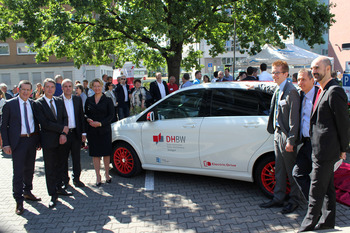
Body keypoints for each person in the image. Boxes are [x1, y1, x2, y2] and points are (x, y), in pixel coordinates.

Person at [299, 57, 349, 232]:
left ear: (328, 68)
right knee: (327, 188)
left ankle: (308, 224)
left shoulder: (335, 91)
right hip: (318, 148)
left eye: (317, 67)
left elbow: (343, 123)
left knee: (316, 188)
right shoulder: (322, 89)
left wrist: (344, 149)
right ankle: (328, 222)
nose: (314, 71)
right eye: (312, 68)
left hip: (327, 151)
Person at [259, 60, 301, 214]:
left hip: (286, 136)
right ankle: (278, 198)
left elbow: (293, 119)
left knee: (291, 171)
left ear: (285, 74)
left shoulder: (291, 91)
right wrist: (253, 85)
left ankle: (295, 200)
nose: (273, 75)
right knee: (279, 169)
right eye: (273, 72)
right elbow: (266, 87)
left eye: (277, 72)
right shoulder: (278, 88)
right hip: (277, 133)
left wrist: (291, 140)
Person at [1, 80, 41, 215]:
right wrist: (5, 144)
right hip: (17, 142)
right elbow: (3, 126)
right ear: (18, 89)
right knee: (18, 172)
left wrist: (38, 141)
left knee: (29, 169)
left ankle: (27, 192)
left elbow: (37, 123)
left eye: (28, 90)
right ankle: (18, 200)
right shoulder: (9, 105)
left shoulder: (33, 104)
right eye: (23, 89)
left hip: (31, 141)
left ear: (31, 91)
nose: (25, 92)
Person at [33, 78, 70, 209]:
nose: (50, 89)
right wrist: (62, 129)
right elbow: (44, 123)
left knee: (61, 164)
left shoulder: (59, 100)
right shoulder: (38, 103)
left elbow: (65, 117)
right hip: (48, 140)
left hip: (62, 139)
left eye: (52, 87)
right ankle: (53, 194)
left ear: (55, 89)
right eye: (47, 87)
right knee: (50, 168)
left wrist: (63, 134)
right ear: (43, 88)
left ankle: (60, 188)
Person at [292, 69, 318, 201]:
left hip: (318, 144)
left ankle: (318, 210)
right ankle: (313, 204)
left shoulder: (320, 95)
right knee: (298, 173)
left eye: (303, 79)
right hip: (306, 143)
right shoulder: (300, 95)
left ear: (312, 80)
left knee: (319, 179)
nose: (300, 82)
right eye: (298, 79)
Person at [85, 78, 114, 186]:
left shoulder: (108, 100)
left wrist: (101, 123)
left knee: (106, 153)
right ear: (92, 87)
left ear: (102, 86)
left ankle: (107, 174)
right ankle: (98, 176)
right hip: (92, 131)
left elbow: (111, 116)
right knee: (95, 154)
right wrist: (88, 119)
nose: (97, 88)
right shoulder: (89, 100)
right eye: (95, 86)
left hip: (104, 130)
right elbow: (85, 114)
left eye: (99, 86)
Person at [58, 79, 86, 188]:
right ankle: (65, 181)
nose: (68, 88)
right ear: (62, 88)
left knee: (76, 158)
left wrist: (83, 133)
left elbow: (81, 117)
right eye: (65, 86)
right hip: (64, 134)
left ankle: (77, 179)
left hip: (75, 133)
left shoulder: (77, 99)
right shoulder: (58, 100)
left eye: (70, 86)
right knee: (63, 159)